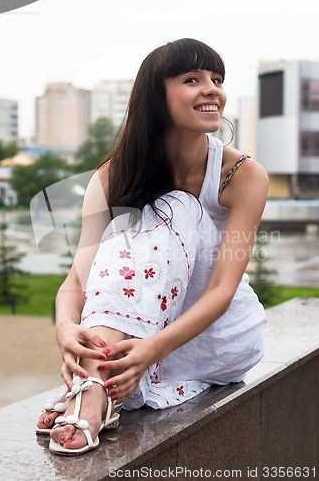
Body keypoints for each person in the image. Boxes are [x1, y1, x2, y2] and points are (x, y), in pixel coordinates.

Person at [36, 37, 269, 455]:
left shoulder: (242, 174)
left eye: (216, 79)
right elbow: (78, 278)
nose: (212, 89)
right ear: (155, 97)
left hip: (212, 337)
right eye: (192, 79)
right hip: (133, 338)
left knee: (174, 207)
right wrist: (66, 329)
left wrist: (151, 349)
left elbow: (222, 290)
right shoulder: (112, 175)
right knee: (133, 225)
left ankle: (91, 388)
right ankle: (99, 385)